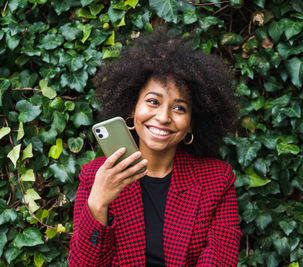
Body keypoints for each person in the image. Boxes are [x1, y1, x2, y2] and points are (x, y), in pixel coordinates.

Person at [68, 28, 242, 266]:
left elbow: (221, 259)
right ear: (132, 108)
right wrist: (98, 203)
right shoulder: (95, 176)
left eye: (179, 108)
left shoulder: (216, 180)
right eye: (153, 101)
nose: (163, 117)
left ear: (191, 123)